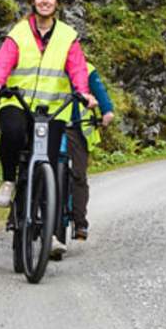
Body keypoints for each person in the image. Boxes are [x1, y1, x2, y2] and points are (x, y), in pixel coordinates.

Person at [0, 0, 92, 260]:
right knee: (12, 133)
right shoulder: (19, 33)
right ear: (33, 1)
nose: (45, 1)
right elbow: (3, 61)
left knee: (49, 163)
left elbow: (78, 68)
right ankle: (9, 181)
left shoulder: (68, 37)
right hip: (17, 102)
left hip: (50, 109)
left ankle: (51, 228)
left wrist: (84, 92)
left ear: (56, 2)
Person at [64, 60, 116, 241]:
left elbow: (99, 91)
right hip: (49, 123)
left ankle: (80, 223)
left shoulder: (86, 68)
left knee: (78, 174)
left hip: (77, 128)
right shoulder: (47, 64)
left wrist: (107, 111)